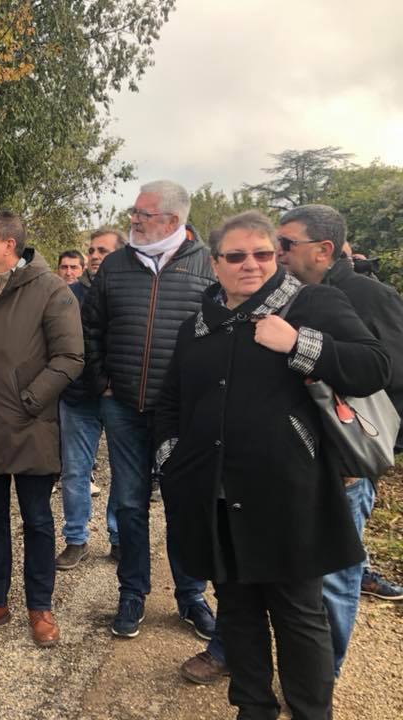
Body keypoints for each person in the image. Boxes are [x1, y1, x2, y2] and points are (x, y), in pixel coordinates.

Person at [155, 210, 389, 720]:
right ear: (214, 263)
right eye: (236, 256)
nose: (251, 265)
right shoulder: (198, 324)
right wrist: (171, 458)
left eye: (263, 253)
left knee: (299, 615)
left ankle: (310, 712)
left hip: (290, 492)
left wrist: (299, 343)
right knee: (236, 610)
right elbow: (171, 400)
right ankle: (252, 707)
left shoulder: (313, 302)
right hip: (215, 493)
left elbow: (374, 365)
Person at [84, 180, 218, 641]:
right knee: (128, 501)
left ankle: (191, 595)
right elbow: (92, 328)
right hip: (123, 407)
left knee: (184, 504)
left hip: (182, 413)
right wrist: (102, 381)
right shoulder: (117, 266)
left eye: (143, 214)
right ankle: (132, 592)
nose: (133, 220)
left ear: (173, 222)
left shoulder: (208, 267)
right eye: (134, 212)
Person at [0, 209, 84, 647]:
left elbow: (70, 358)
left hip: (30, 427)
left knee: (38, 520)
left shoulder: (51, 289)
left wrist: (29, 399)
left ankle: (39, 608)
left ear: (8, 245)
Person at [277, 203, 403, 673]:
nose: (278, 253)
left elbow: (391, 375)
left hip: (344, 466)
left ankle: (320, 676)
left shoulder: (367, 295)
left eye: (286, 244)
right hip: (292, 461)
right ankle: (239, 651)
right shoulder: (289, 294)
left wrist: (371, 451)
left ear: (323, 249)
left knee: (333, 576)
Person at [55, 228, 125, 571]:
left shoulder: (132, 293)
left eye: (104, 251)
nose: (96, 256)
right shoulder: (67, 295)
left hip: (120, 397)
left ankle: (118, 537)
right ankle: (76, 539)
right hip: (77, 398)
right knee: (74, 472)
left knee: (124, 472)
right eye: (92, 250)